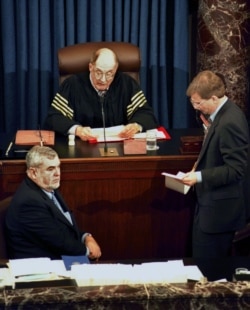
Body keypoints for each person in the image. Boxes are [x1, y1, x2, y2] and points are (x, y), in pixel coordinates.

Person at [181, 70, 249, 258]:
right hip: (210, 208)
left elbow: (236, 170)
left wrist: (199, 176)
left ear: (213, 98)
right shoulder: (221, 116)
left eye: (198, 103)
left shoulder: (230, 122)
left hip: (220, 215)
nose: (195, 107)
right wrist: (198, 164)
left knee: (209, 272)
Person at [5, 145, 101, 260]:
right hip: (42, 267)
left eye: (58, 167)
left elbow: (64, 228)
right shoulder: (29, 202)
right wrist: (88, 251)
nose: (57, 173)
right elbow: (58, 242)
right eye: (50, 169)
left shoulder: (48, 187)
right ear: (34, 173)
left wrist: (86, 237)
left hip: (59, 256)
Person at [44, 47, 158, 140]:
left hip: (120, 149)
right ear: (90, 67)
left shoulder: (126, 84)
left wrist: (136, 126)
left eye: (109, 74)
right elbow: (54, 117)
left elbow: (146, 113)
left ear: (116, 69)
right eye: (98, 72)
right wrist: (77, 130)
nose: (103, 80)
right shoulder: (72, 85)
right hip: (83, 149)